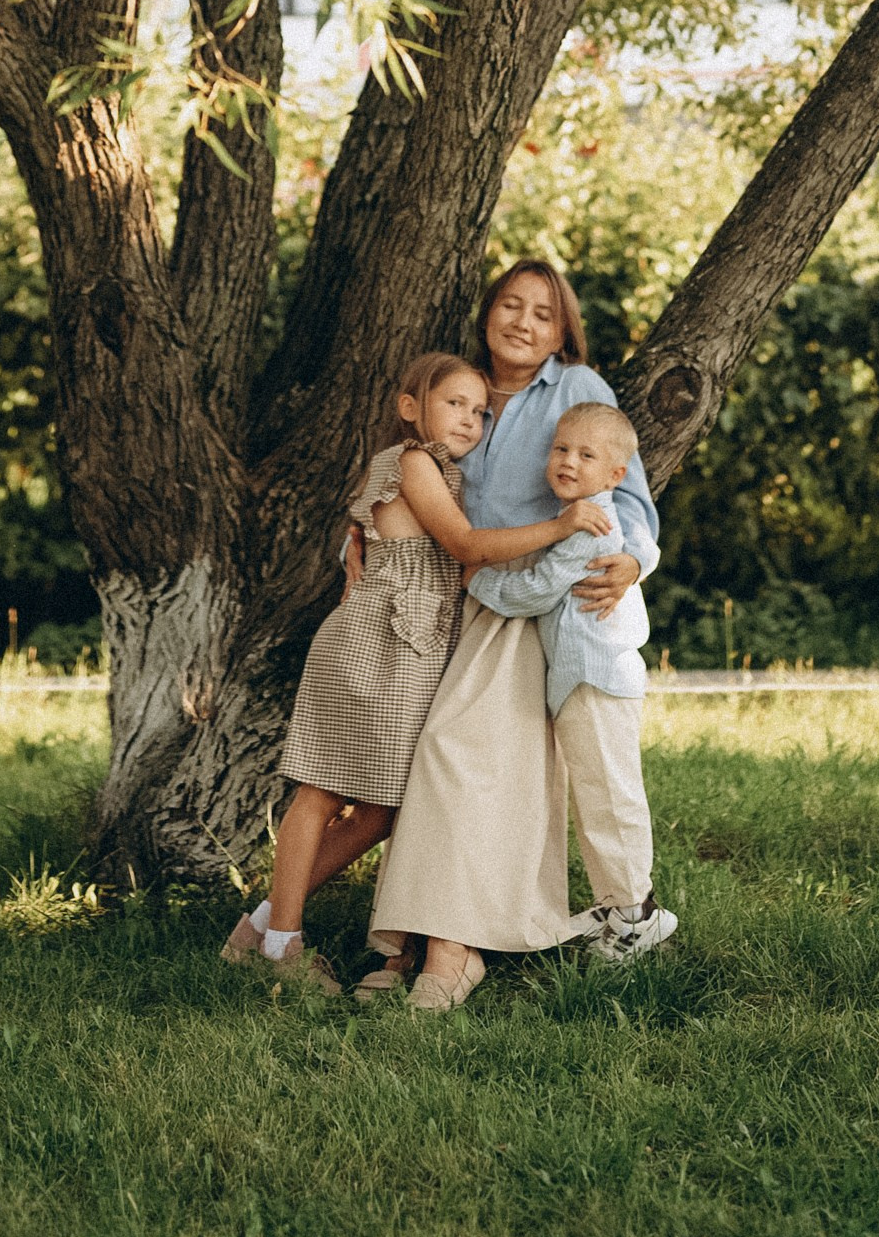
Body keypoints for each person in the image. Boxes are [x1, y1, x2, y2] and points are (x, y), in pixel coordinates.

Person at [221, 348, 614, 995]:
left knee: (384, 806)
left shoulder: (447, 477)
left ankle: (260, 929)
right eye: (453, 404)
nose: (469, 420)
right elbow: (463, 546)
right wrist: (560, 524)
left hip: (414, 647)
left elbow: (454, 565)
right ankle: (281, 947)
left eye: (481, 411)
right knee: (321, 789)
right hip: (375, 639)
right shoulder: (409, 462)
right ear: (410, 409)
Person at [364, 257, 665, 1012]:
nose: (523, 323)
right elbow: (412, 482)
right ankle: (412, 941)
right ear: (487, 312)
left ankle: (452, 949)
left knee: (459, 754)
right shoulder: (461, 390)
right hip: (454, 598)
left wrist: (632, 561)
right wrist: (356, 548)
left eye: (542, 312)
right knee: (426, 761)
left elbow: (628, 500)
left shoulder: (575, 389)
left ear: (563, 329)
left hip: (536, 600)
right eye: (510, 305)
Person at [469, 399, 677, 964]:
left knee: (610, 794)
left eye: (586, 455)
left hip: (596, 678)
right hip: (582, 678)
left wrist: (477, 580)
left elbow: (537, 590)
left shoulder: (595, 525)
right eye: (561, 449)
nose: (567, 462)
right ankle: (620, 905)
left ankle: (638, 915)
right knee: (595, 794)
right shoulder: (578, 518)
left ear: (615, 475)